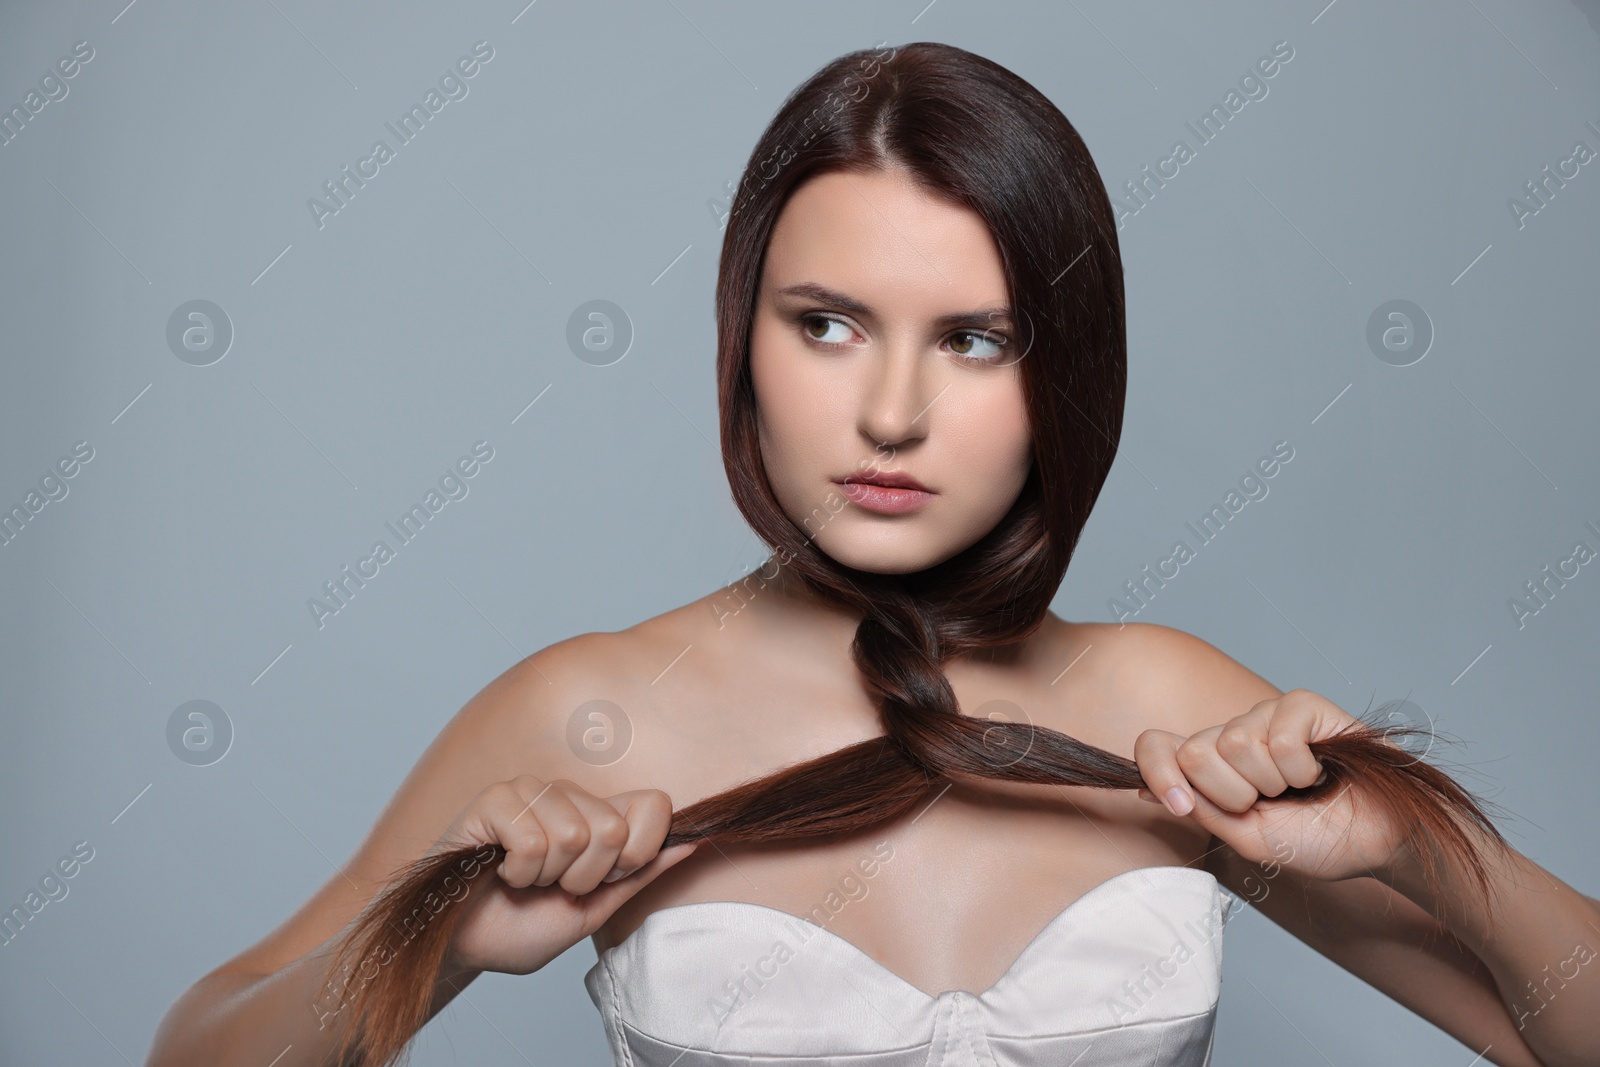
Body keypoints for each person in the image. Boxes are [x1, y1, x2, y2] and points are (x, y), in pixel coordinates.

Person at [147, 41, 1599, 1067]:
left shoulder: (1167, 708)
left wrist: (1421, 843)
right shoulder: (588, 715)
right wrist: (444, 938)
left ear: (1064, 377)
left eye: (974, 340)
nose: (891, 414)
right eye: (827, 324)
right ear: (743, 343)